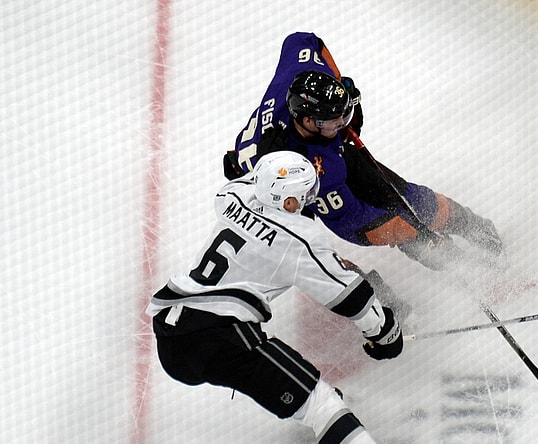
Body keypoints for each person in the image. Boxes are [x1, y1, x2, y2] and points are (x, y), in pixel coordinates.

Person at [147, 151, 403, 443]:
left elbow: (247, 181)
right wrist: (384, 332)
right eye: (306, 194)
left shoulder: (234, 196)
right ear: (289, 202)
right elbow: (350, 295)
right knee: (322, 405)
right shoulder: (299, 238)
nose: (310, 200)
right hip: (217, 336)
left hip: (170, 331)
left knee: (308, 397)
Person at [223, 32, 502, 271]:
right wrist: (410, 235)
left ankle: (474, 227)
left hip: (292, 160)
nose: (342, 125)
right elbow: (354, 222)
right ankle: (386, 303)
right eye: (333, 122)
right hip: (275, 197)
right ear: (307, 120)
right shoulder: (311, 167)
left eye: (344, 116)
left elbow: (302, 40)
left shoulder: (298, 76)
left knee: (407, 198)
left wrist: (337, 81)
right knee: (315, 258)